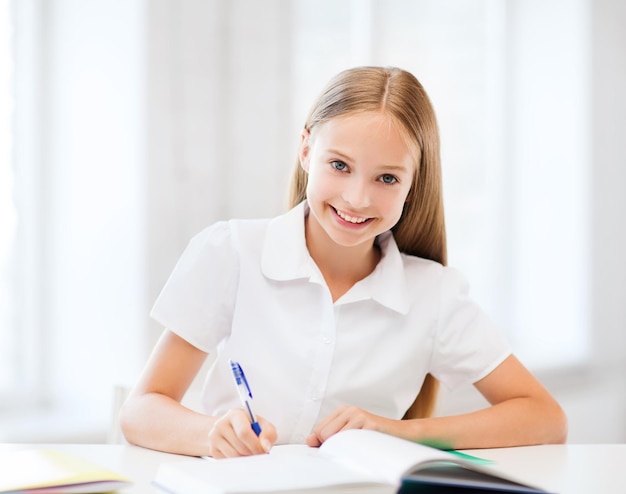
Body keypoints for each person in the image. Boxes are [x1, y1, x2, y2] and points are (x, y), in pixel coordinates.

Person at [120, 66, 567, 458]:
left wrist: (398, 433)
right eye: (339, 165)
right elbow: (141, 410)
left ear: (412, 186)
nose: (357, 198)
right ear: (306, 151)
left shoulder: (434, 294)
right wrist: (209, 434)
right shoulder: (232, 252)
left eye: (387, 178)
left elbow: (544, 419)